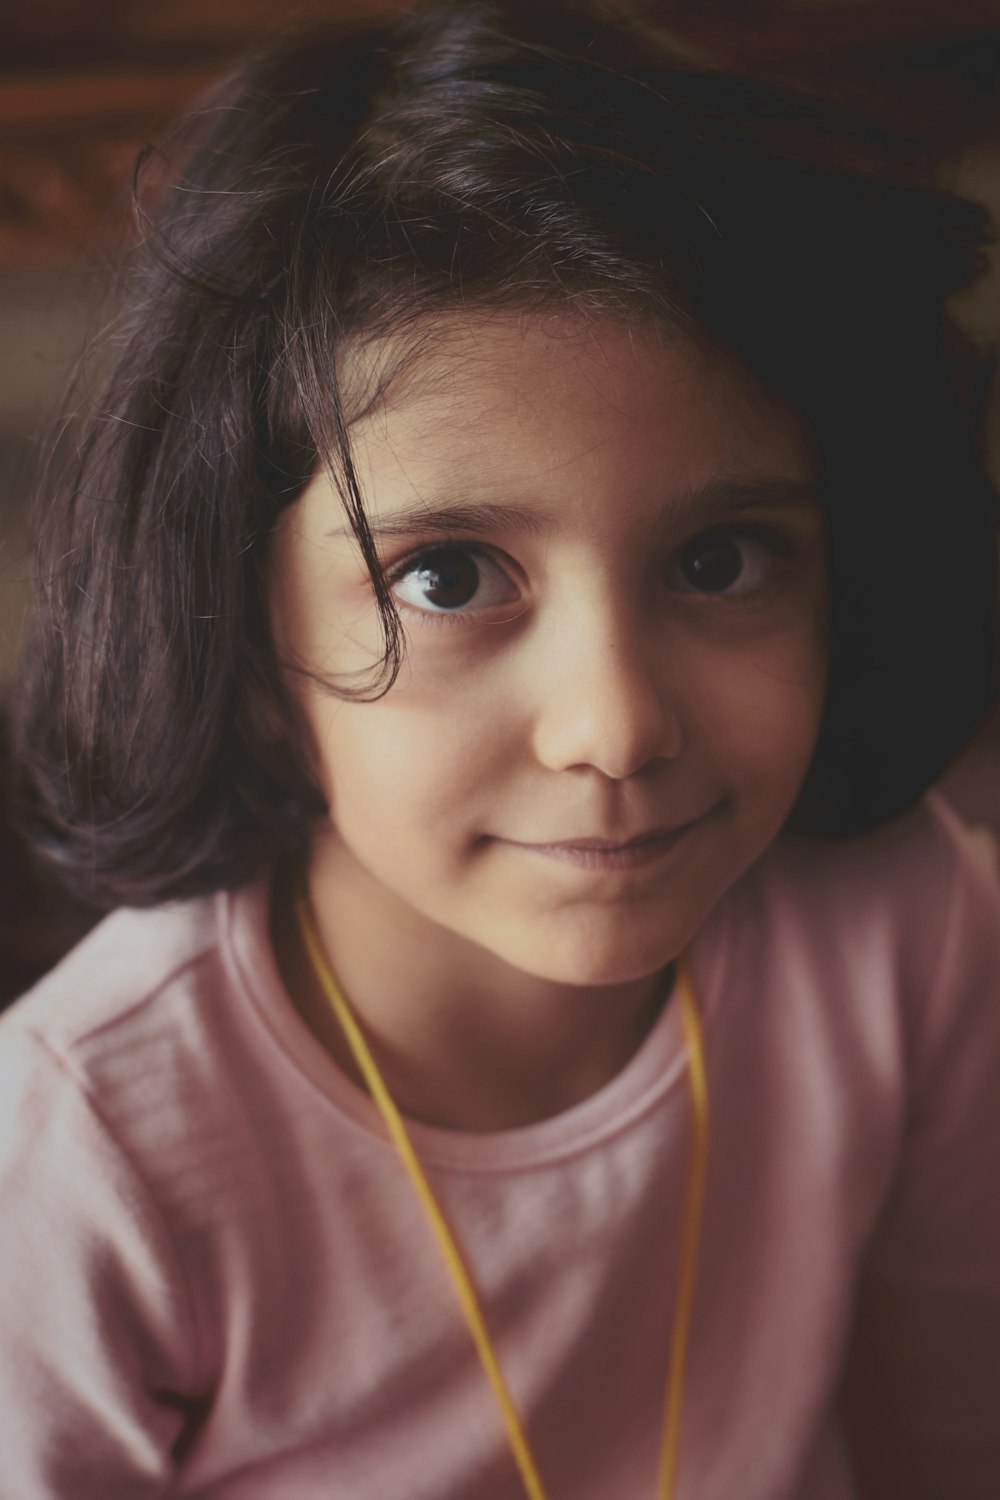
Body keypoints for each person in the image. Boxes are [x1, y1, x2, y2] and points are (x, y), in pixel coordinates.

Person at [2, 1, 999, 1496]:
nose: (614, 726)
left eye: (721, 561)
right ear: (240, 632)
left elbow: (947, 1433)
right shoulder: (85, 1151)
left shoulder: (909, 922)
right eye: (447, 577)